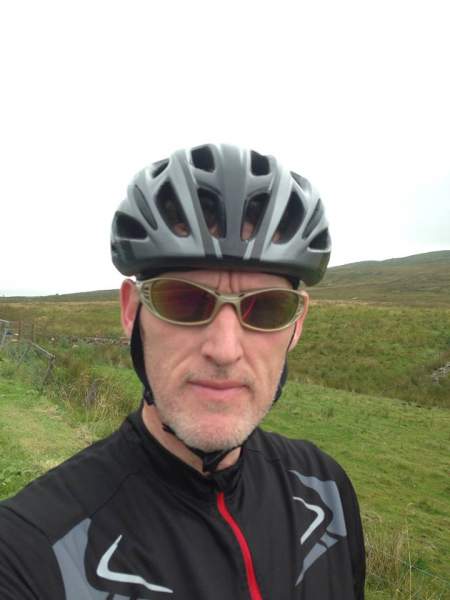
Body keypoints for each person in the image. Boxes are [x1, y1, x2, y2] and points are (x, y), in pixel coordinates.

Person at [0, 144, 365, 599]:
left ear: (297, 324)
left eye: (267, 308)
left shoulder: (327, 490)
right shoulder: (30, 552)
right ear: (132, 312)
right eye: (184, 301)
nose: (224, 350)